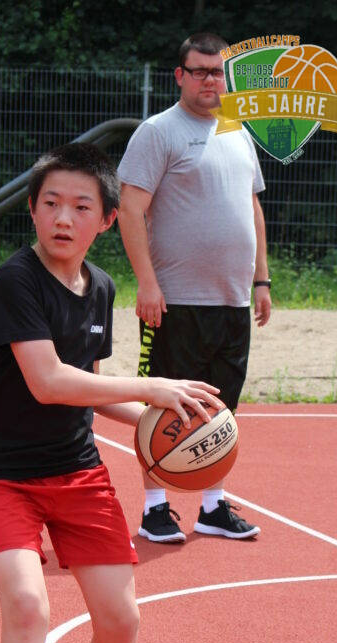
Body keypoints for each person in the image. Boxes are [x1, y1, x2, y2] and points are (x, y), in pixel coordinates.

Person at [0, 143, 222, 643]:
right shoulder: (16, 281)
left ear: (107, 220)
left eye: (81, 206)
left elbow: (92, 390)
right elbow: (49, 381)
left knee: (120, 620)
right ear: (31, 209)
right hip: (4, 475)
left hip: (77, 472)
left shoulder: (101, 287)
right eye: (50, 203)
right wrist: (153, 385)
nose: (63, 217)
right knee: (26, 604)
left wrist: (166, 424)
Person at [117, 31, 272, 544]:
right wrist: (147, 283)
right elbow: (131, 210)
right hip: (174, 301)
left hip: (231, 300)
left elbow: (252, 208)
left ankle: (212, 506)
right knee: (164, 408)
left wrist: (262, 279)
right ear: (180, 75)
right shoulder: (158, 131)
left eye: (218, 71)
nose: (210, 80)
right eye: (200, 71)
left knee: (221, 411)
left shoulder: (238, 130)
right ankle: (155, 508)